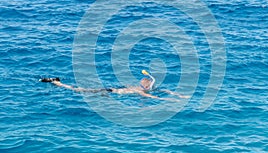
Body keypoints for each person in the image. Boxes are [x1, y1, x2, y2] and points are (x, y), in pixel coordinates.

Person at [40, 70, 189, 100]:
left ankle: (58, 82)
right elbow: (154, 96)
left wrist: (178, 95)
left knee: (80, 90)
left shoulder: (143, 89)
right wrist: (167, 100)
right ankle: (57, 83)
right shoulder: (141, 92)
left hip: (112, 90)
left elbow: (165, 90)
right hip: (110, 91)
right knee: (79, 90)